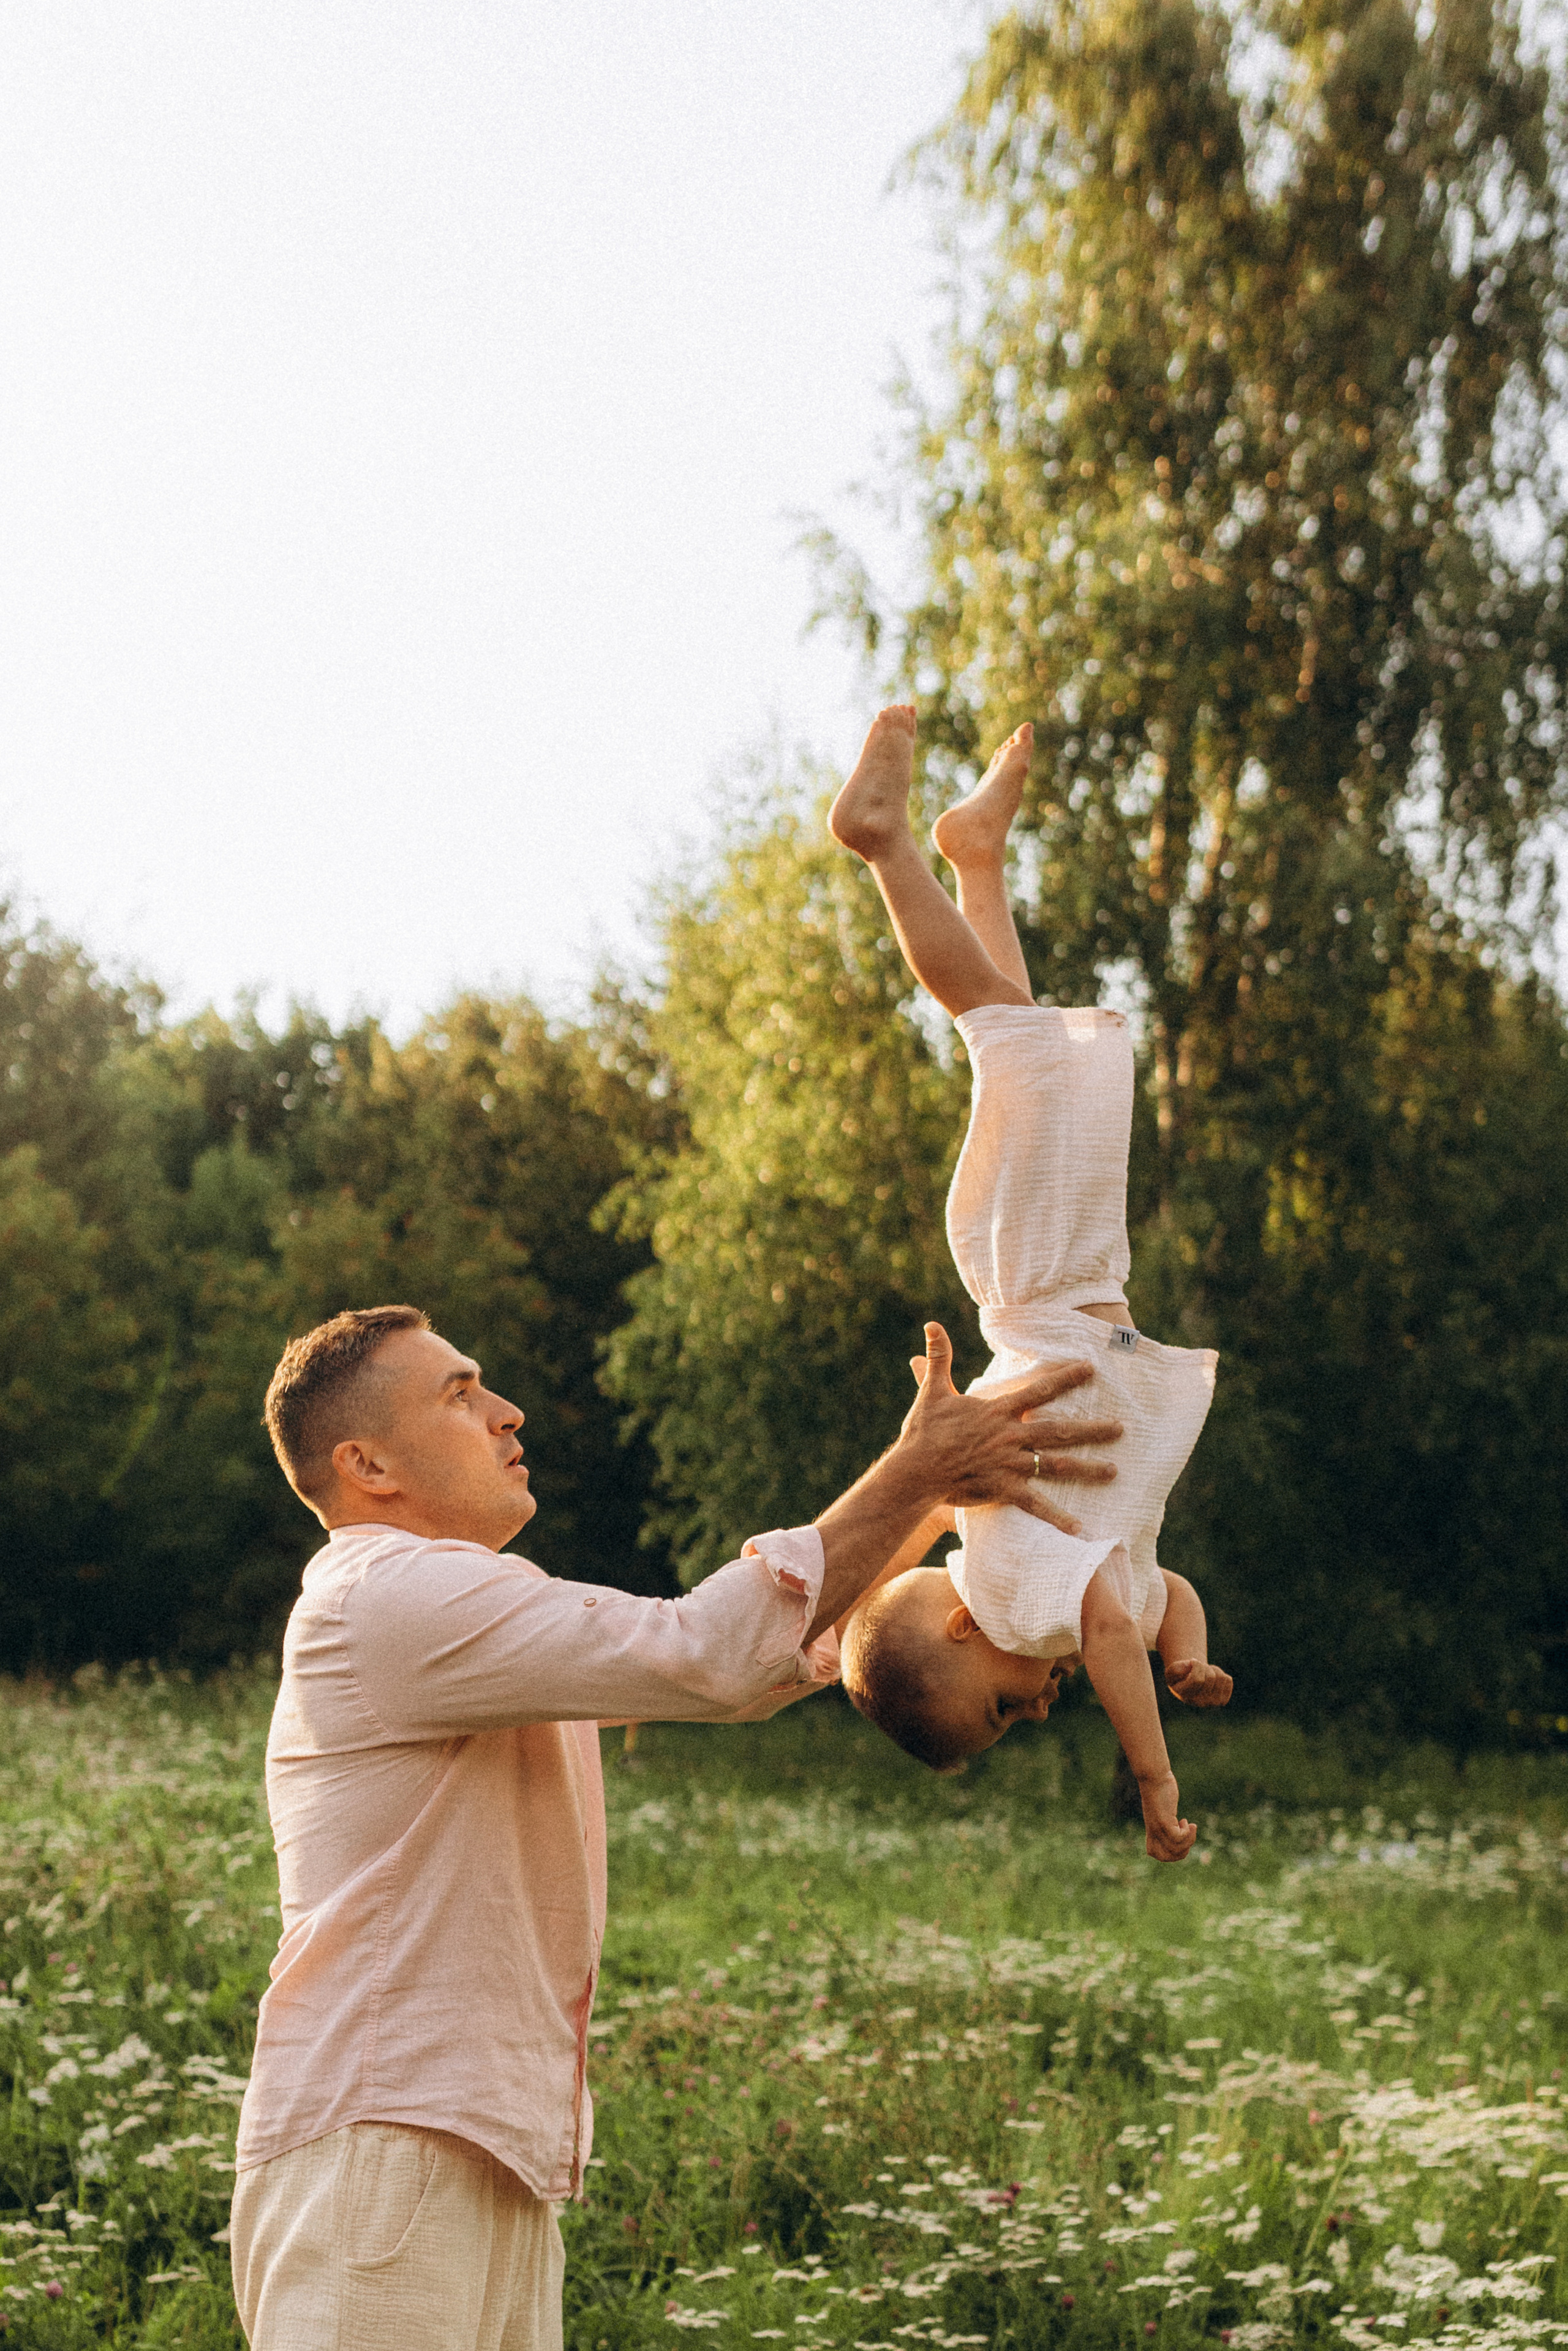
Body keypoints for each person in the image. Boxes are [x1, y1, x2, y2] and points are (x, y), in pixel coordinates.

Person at [230, 1296, 1124, 2349]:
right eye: (462, 1392)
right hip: (385, 2152)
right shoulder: (383, 1598)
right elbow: (705, 1650)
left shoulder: (457, 1609)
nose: (509, 1412)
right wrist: (918, 1475)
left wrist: (935, 1504)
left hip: (470, 2148)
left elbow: (741, 1657)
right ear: (367, 1466)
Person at [826, 704, 1232, 1858]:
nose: (1035, 1708)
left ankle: (882, 844)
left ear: (963, 1625)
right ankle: (976, 858)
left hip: (1038, 1286)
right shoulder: (1038, 1584)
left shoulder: (1011, 1593)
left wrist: (1154, 1774)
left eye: (1001, 1705)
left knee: (1008, 1041)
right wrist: (1186, 1651)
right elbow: (1161, 1590)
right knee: (1039, 1057)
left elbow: (1110, 1623)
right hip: (1083, 1283)